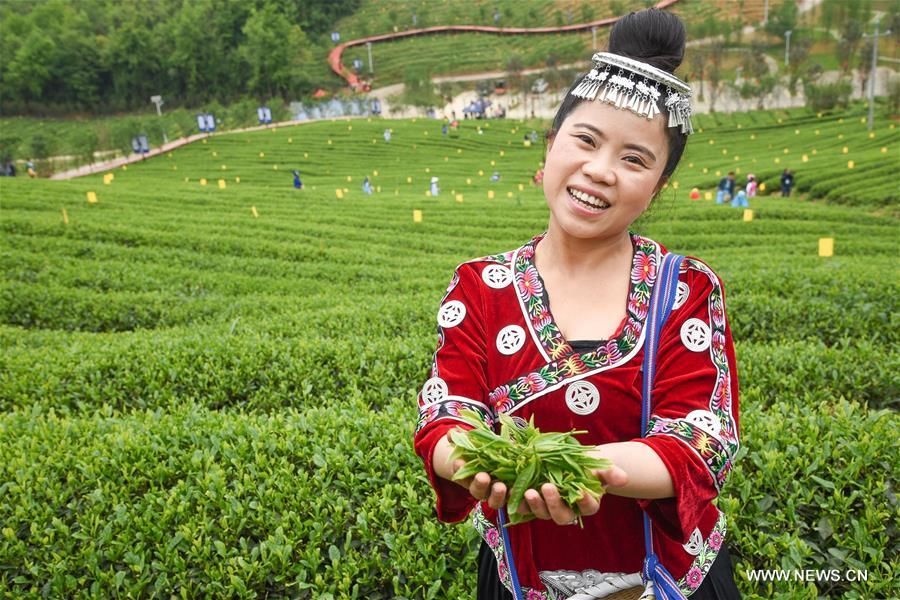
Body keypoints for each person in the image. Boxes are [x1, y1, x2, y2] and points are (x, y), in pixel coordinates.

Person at [414, 9, 741, 600]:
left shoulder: (685, 289)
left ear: (658, 187)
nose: (600, 170)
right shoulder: (479, 286)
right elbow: (446, 413)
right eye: (585, 140)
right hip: (523, 579)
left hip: (664, 580)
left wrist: (577, 470)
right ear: (550, 146)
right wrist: (480, 460)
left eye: (634, 159)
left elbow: (701, 439)